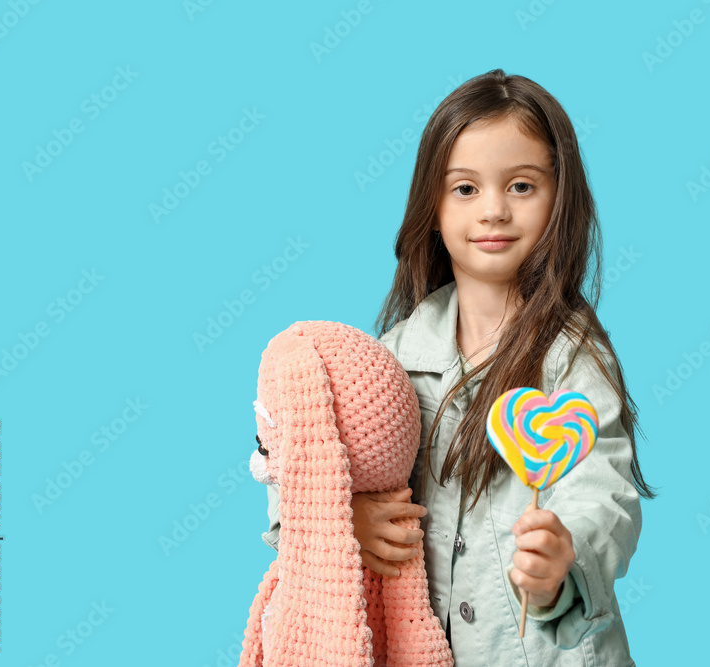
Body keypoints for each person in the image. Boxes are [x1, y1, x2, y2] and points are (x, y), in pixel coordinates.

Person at [260, 68, 656, 666]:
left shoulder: (573, 357)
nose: (493, 210)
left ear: (560, 199)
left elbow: (603, 490)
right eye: (466, 188)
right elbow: (300, 456)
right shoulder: (392, 357)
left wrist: (564, 557)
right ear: (434, 207)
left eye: (521, 186)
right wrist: (345, 518)